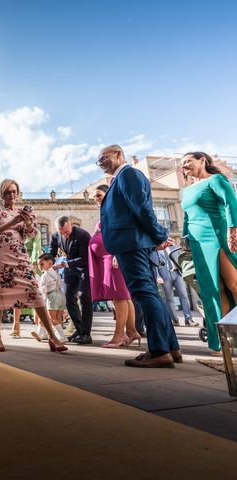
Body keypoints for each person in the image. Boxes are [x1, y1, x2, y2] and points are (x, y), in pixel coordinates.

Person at [98, 144, 181, 368]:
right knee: (150, 293)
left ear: (118, 154)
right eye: (99, 162)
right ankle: (171, 347)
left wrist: (159, 235)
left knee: (144, 293)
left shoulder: (128, 174)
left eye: (104, 158)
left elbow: (143, 209)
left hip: (132, 244)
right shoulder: (119, 178)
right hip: (131, 243)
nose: (101, 163)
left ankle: (158, 350)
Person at [0, 179, 67, 353]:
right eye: (7, 192)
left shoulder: (22, 212)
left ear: (18, 193)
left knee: (35, 293)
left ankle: (52, 337)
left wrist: (28, 222)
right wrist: (12, 223)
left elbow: (32, 235)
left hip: (21, 257)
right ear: (1, 194)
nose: (11, 195)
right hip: (1, 257)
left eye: (14, 192)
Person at [181, 151, 237, 355]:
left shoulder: (216, 179)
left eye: (188, 161)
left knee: (233, 284)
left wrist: (233, 229)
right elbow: (187, 217)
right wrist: (184, 237)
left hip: (218, 235)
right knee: (213, 290)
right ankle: (223, 342)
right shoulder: (187, 191)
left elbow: (231, 202)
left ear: (202, 160)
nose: (184, 165)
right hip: (197, 243)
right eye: (182, 163)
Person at [89, 184, 141, 348]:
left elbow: (121, 232)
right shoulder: (106, 211)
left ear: (108, 194)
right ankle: (132, 331)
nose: (95, 198)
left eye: (98, 195)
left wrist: (118, 254)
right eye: (94, 196)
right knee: (124, 296)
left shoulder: (113, 209)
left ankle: (118, 336)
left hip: (112, 257)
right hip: (107, 258)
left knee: (118, 296)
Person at [50, 216, 93, 344]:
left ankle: (86, 334)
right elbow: (52, 251)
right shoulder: (56, 236)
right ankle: (80, 330)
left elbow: (85, 259)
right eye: (61, 232)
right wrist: (47, 261)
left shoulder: (83, 235)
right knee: (69, 298)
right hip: (70, 270)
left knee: (85, 298)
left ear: (71, 225)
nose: (64, 236)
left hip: (85, 268)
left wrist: (64, 264)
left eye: (67, 232)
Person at [154, 247, 196, 327]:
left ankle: (188, 319)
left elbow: (181, 259)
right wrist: (158, 277)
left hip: (177, 274)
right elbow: (155, 264)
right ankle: (175, 319)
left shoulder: (174, 248)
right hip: (165, 275)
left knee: (184, 295)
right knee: (169, 299)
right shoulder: (157, 248)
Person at [37, 254, 67, 342]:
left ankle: (61, 336)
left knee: (51, 318)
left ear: (50, 264)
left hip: (52, 296)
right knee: (58, 317)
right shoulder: (57, 274)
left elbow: (42, 289)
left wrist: (41, 299)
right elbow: (60, 285)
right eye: (39, 264)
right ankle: (43, 334)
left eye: (42, 264)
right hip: (61, 295)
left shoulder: (44, 276)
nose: (40, 266)